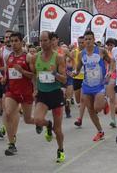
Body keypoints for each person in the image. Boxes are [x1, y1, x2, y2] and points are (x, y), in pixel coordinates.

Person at [31, 31, 67, 163]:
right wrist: (35, 88)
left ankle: (61, 149)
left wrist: (55, 73)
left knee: (58, 130)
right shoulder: (35, 57)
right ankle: (48, 125)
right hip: (42, 95)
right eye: (41, 41)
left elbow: (64, 80)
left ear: (52, 41)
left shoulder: (58, 58)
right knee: (37, 120)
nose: (43, 43)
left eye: (45, 40)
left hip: (56, 95)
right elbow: (34, 75)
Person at [73, 30, 110, 141]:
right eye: (86, 39)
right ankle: (100, 131)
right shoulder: (81, 54)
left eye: (90, 39)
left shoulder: (101, 51)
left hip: (99, 85)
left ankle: (104, 103)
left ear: (94, 40)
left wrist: (110, 72)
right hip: (87, 85)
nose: (88, 41)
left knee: (97, 107)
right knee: (91, 110)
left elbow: (111, 61)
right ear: (84, 41)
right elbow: (78, 68)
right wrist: (74, 72)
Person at [3, 32, 35, 156]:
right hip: (12, 91)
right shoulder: (8, 57)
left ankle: (42, 123)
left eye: (16, 41)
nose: (13, 43)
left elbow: (33, 75)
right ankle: (11, 144)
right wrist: (5, 78)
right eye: (12, 41)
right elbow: (8, 71)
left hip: (26, 92)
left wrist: (21, 70)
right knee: (8, 113)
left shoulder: (28, 57)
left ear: (21, 42)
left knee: (27, 119)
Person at [71, 36, 86, 127]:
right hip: (76, 78)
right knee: (78, 100)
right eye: (79, 42)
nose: (81, 44)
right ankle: (82, 111)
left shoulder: (88, 52)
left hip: (86, 78)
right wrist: (72, 69)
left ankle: (80, 118)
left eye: (82, 42)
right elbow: (70, 61)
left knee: (83, 98)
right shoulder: (74, 52)